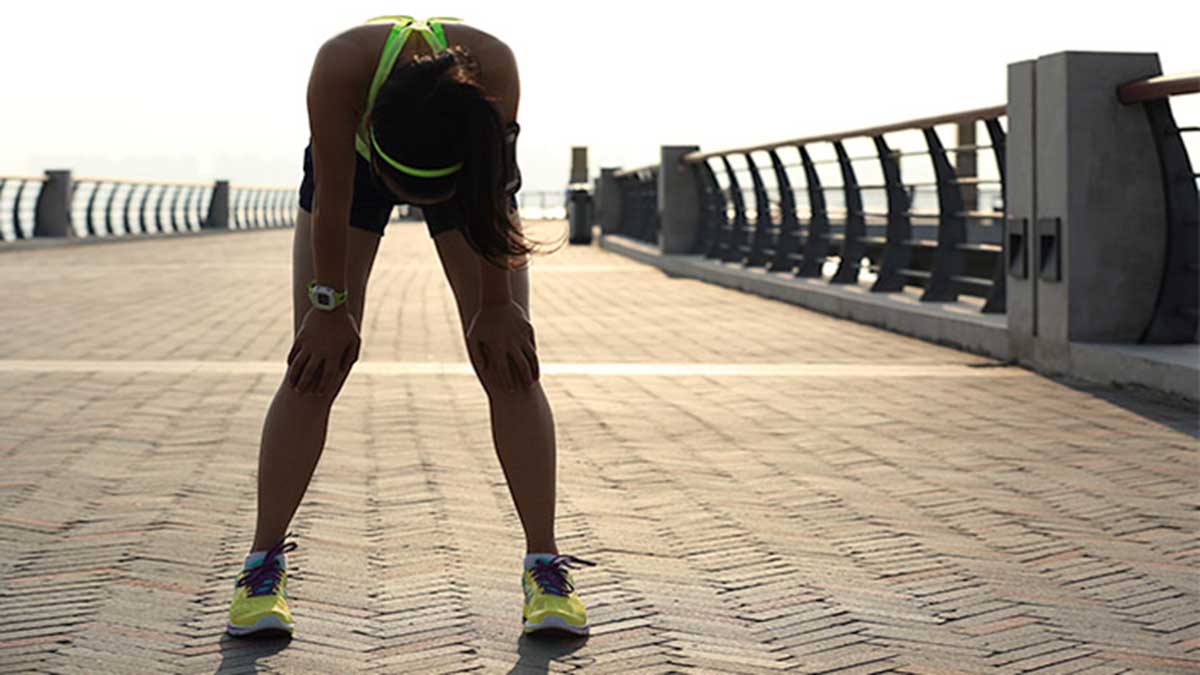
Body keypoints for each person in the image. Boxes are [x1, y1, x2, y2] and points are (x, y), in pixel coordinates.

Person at [225, 15, 594, 639]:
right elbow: (334, 200)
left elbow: (493, 193)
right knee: (314, 367)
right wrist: (328, 306)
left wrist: (499, 305)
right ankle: (261, 569)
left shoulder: (493, 67)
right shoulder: (341, 68)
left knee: (509, 362)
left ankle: (545, 568)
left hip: (468, 175)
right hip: (354, 175)